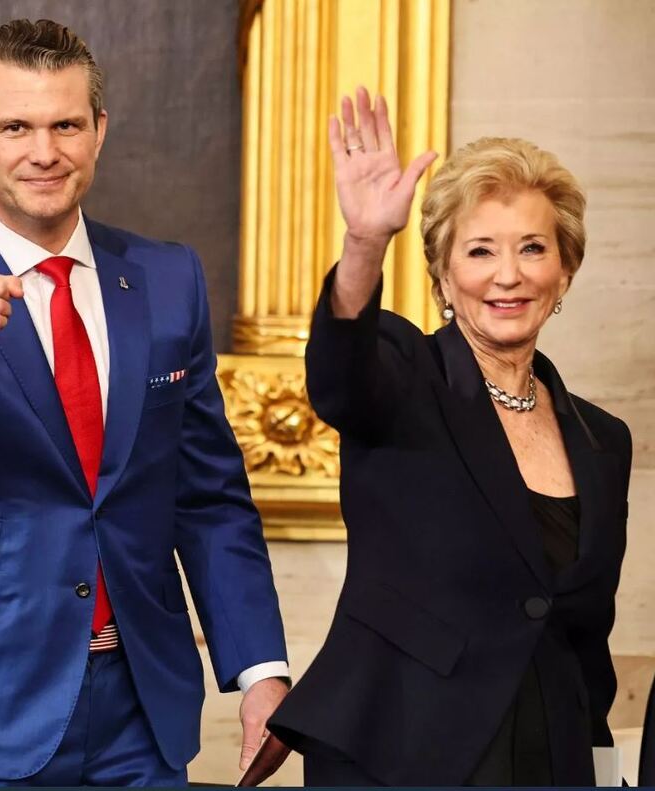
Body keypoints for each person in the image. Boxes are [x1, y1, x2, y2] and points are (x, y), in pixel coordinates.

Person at [0, 18, 289, 787]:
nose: (44, 151)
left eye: (66, 125)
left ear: (99, 131)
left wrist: (260, 669)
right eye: (16, 126)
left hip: (141, 713)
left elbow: (208, 496)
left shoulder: (168, 279)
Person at [267, 88, 632, 785]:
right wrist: (365, 243)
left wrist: (602, 766)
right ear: (442, 273)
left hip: (552, 759)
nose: (508, 275)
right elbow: (340, 373)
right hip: (403, 755)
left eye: (533, 248)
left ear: (565, 271)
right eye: (480, 250)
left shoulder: (603, 439)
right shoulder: (407, 377)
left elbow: (587, 640)